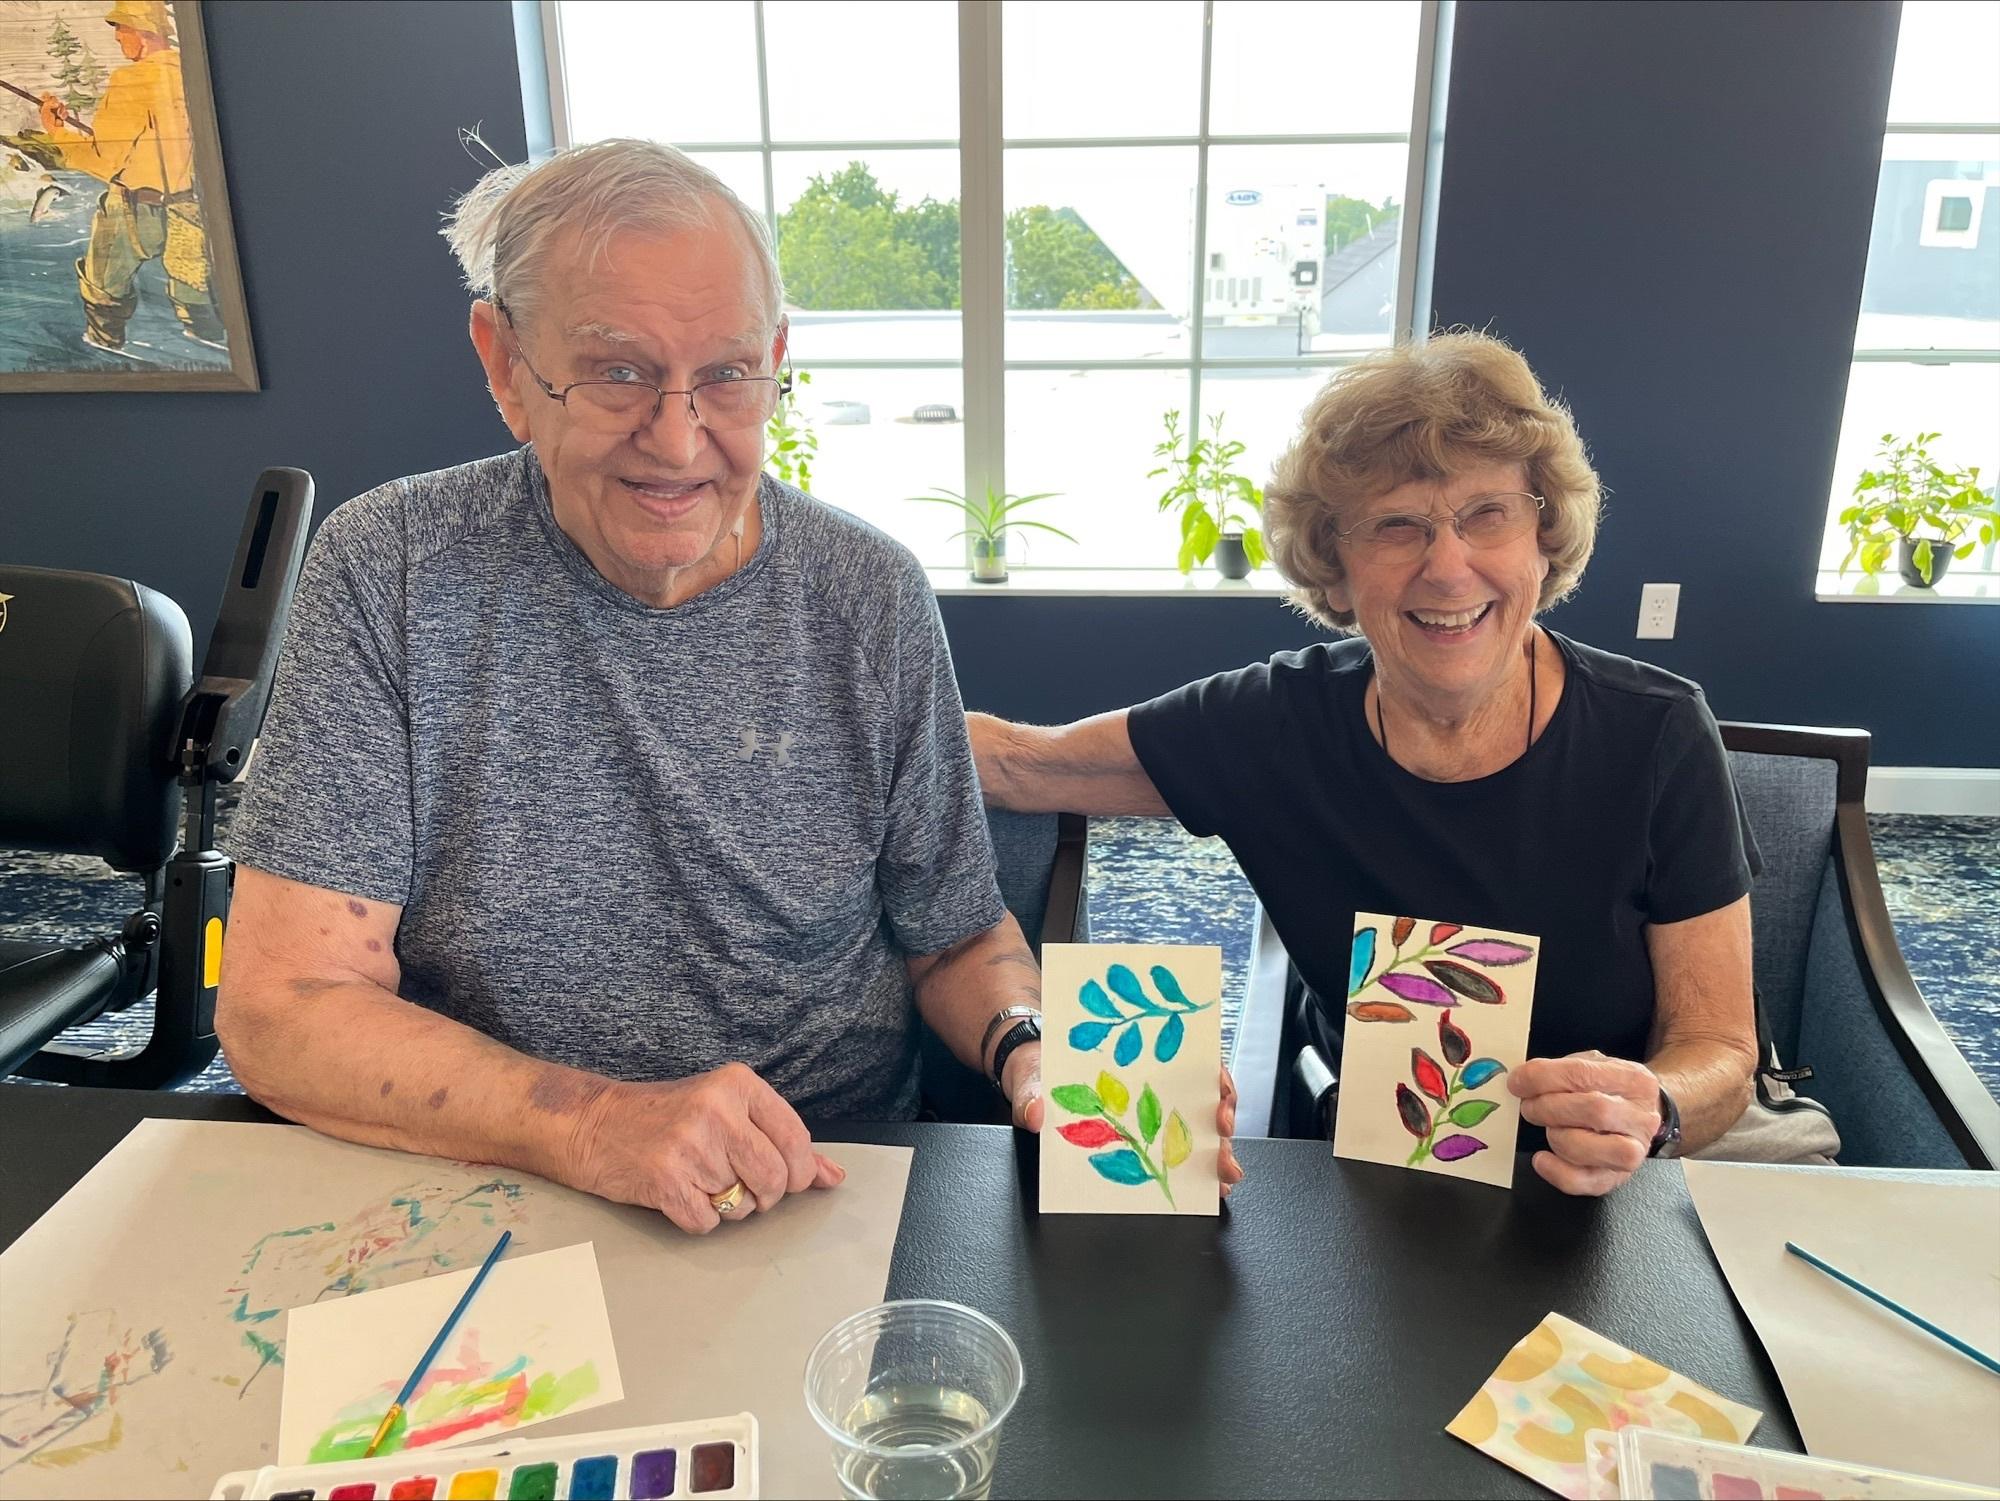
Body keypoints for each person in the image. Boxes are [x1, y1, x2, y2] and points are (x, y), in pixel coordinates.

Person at [216, 139, 1242, 1234]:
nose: (677, 437)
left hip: (827, 1178)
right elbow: (283, 1006)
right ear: (505, 365)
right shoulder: (392, 570)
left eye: (725, 374)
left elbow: (952, 937)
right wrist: (593, 1123)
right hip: (494, 1174)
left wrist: (1036, 1055)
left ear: (775, 359)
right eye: (616, 371)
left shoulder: (868, 594)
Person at [970, 332, 1763, 1197]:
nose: (1448, 566)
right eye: (1398, 526)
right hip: (1380, 1182)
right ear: (1337, 570)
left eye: (1488, 514)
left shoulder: (1657, 735)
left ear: (1544, 534)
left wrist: (1655, 1108)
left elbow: (1721, 1047)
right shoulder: (1276, 723)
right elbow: (1018, 762)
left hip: (1609, 1197)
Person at [36, 0, 225, 353]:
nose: (119, 38)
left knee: (103, 289)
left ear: (144, 33)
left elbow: (103, 158)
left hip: (133, 210)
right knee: (197, 297)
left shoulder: (131, 80)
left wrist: (55, 131)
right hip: (189, 207)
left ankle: (104, 352)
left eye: (121, 29)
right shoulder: (194, 72)